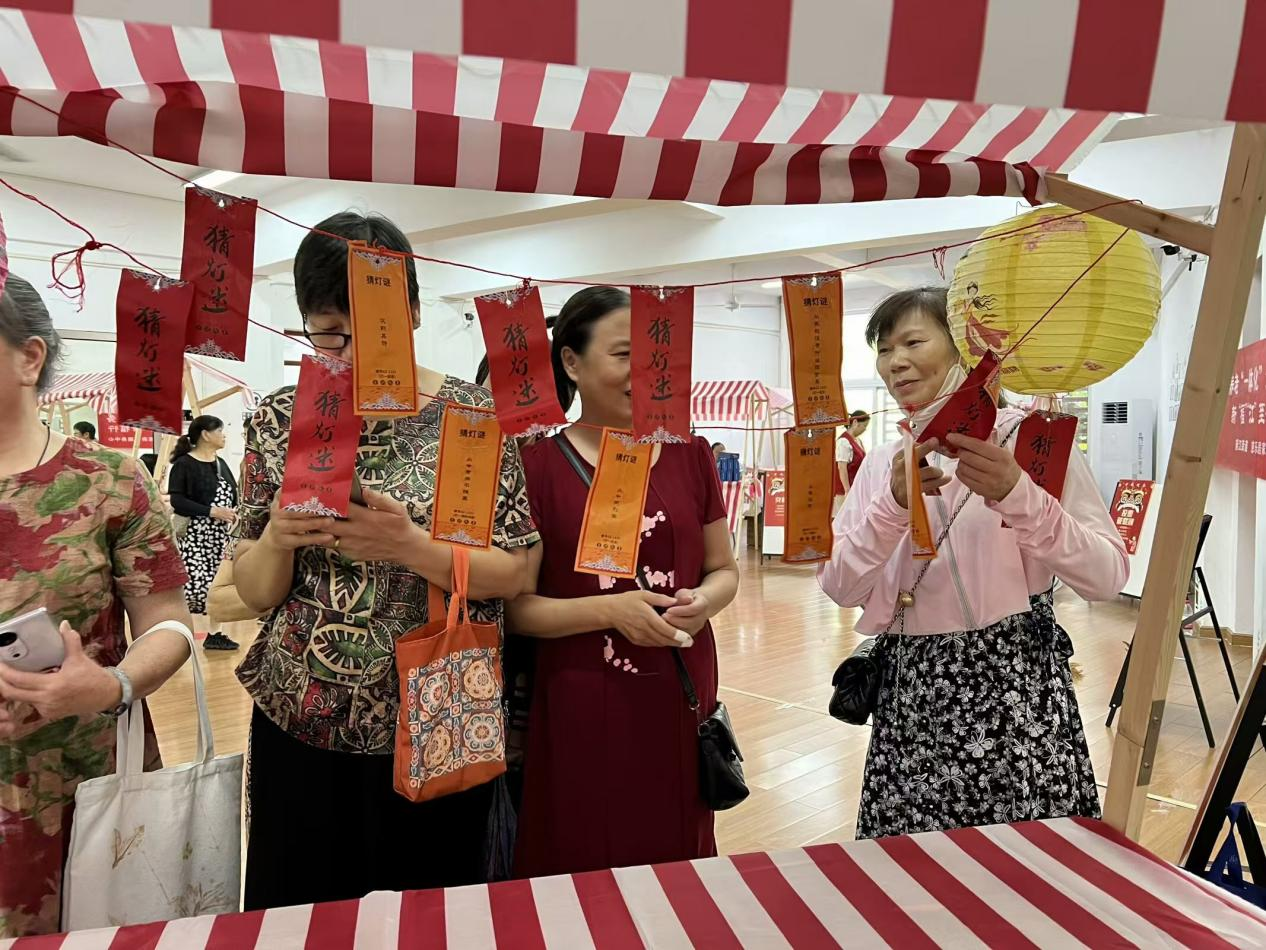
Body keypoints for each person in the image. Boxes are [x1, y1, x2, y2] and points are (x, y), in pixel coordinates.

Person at [231, 212, 538, 909]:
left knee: (432, 915)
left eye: (377, 330)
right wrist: (277, 537)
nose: (354, 353)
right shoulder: (280, 418)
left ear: (417, 313)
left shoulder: (473, 417)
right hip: (301, 716)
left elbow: (516, 573)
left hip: (439, 717)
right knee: (301, 915)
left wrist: (409, 547)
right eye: (330, 333)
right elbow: (254, 591)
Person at [817, 287, 1127, 839]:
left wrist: (1018, 494)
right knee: (915, 864)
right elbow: (840, 586)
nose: (895, 362)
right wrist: (892, 507)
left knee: (1027, 859)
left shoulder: (1031, 441)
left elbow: (1106, 576)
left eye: (913, 342)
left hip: (1016, 682)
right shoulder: (885, 464)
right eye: (884, 350)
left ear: (964, 348)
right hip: (916, 688)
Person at [508, 286, 740, 877]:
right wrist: (610, 611)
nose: (642, 372)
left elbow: (724, 569)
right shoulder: (536, 466)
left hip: (681, 686)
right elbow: (516, 609)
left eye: (651, 356)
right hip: (581, 696)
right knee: (582, 849)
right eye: (621, 355)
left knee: (677, 851)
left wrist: (703, 600)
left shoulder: (690, 453)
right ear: (571, 362)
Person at [0, 275, 193, 938]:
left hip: (89, 784)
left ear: (29, 358)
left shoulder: (109, 481)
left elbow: (169, 623)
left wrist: (113, 684)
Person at [168, 414, 239, 651]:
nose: (224, 436)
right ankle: (176, 634)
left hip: (220, 535)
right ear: (206, 434)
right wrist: (212, 511)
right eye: (219, 431)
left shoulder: (221, 463)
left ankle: (215, 633)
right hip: (196, 535)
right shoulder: (184, 465)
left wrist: (233, 512)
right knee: (194, 586)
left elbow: (233, 494)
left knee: (217, 585)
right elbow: (178, 501)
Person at [833, 410, 870, 501]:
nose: (865, 429)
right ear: (855, 422)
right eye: (864, 426)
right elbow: (842, 467)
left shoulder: (858, 441)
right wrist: (847, 490)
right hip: (844, 492)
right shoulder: (843, 442)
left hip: (856, 489)